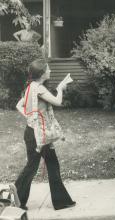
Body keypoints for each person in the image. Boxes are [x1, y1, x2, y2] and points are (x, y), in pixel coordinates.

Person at [15, 59, 76, 210]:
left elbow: (19, 105)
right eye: (48, 69)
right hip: (38, 135)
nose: (50, 71)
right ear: (42, 74)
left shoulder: (31, 87)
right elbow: (57, 102)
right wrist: (61, 88)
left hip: (34, 132)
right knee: (39, 166)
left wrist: (31, 118)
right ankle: (15, 197)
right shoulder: (39, 89)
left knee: (42, 165)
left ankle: (59, 201)